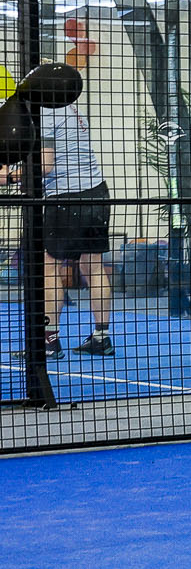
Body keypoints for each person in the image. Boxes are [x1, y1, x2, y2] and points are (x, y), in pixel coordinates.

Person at [3, 61, 114, 360]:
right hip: (96, 192)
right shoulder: (67, 107)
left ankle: (48, 342)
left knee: (48, 267)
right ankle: (102, 337)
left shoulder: (44, 112)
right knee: (93, 266)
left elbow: (46, 165)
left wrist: (10, 176)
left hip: (66, 197)